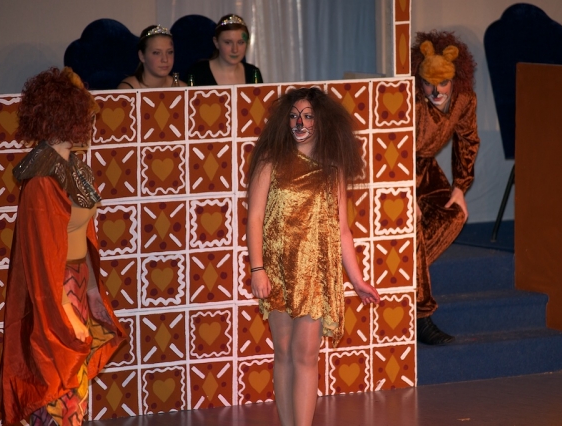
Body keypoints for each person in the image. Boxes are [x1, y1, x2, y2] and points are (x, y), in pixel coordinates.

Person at [0, 67, 126, 425]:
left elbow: (81, 240)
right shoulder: (42, 179)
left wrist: (92, 295)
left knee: (74, 388)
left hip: (75, 288)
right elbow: (42, 261)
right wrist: (65, 315)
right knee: (56, 386)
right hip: (53, 299)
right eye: (84, 113)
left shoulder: (74, 169)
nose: (91, 122)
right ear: (64, 116)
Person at [247, 88, 380, 426]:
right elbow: (255, 218)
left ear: (321, 122)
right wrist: (257, 269)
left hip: (316, 274)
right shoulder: (271, 161)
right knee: (283, 351)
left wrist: (358, 280)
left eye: (307, 116)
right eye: (294, 116)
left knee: (306, 355)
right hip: (277, 269)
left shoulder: (332, 169)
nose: (300, 123)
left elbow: (343, 230)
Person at [410, 31, 480, 345]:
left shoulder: (465, 100)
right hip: (401, 170)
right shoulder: (410, 102)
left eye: (443, 83)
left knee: (454, 215)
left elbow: (467, 140)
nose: (436, 91)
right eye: (429, 83)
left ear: (455, 79)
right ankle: (421, 316)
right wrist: (404, 193)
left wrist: (461, 186)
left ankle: (404, 272)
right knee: (411, 230)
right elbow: (394, 147)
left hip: (428, 171)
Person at [187, 14, 263, 86]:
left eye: (240, 42)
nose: (235, 50)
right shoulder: (198, 73)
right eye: (228, 42)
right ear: (216, 43)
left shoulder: (253, 73)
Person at [118, 24, 187, 89]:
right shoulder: (128, 90)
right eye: (156, 53)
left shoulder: (183, 88)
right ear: (142, 56)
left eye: (169, 52)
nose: (165, 59)